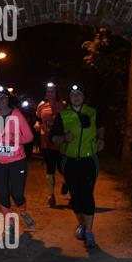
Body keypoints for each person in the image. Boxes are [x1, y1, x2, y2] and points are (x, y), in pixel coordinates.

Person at [49, 84, 105, 249]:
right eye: (72, 94)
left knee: (87, 195)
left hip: (89, 161)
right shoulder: (63, 115)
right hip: (69, 161)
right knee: (75, 197)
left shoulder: (93, 112)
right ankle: (81, 224)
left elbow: (101, 127)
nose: (76, 97)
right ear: (69, 98)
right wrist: (64, 138)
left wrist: (101, 139)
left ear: (83, 96)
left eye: (79, 93)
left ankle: (89, 232)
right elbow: (53, 139)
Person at [0, 86, 36, 237]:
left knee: (17, 194)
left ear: (8, 99)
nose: (1, 99)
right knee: (3, 194)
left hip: (17, 161)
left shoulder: (16, 115)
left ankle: (23, 212)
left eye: (4, 97)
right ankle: (9, 222)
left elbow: (29, 137)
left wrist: (13, 139)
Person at [35, 82, 65, 206]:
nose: (50, 93)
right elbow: (38, 119)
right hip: (46, 141)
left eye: (52, 91)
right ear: (45, 94)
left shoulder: (63, 105)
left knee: (62, 167)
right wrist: (37, 124)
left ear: (56, 93)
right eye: (48, 91)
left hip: (60, 142)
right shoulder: (41, 105)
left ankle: (66, 182)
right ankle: (51, 195)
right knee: (50, 168)